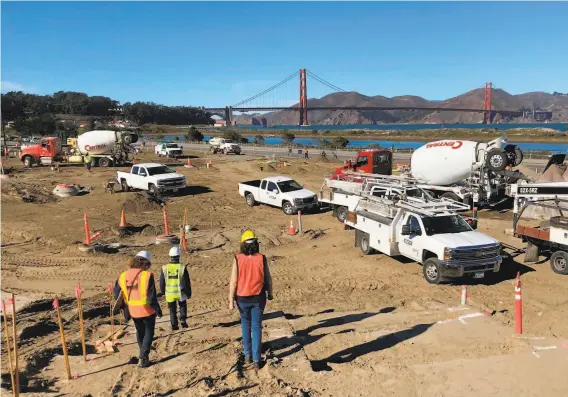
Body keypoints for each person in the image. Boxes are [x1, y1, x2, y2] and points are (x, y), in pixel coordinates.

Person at [228, 230, 273, 369]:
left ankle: (247, 355)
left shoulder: (237, 258)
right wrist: (270, 293)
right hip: (258, 298)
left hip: (242, 299)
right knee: (257, 327)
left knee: (245, 326)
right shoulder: (262, 258)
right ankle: (257, 360)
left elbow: (234, 282)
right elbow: (268, 279)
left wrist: (231, 300)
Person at [114, 250, 162, 368]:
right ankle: (143, 357)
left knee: (140, 332)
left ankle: (143, 354)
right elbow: (151, 297)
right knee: (149, 332)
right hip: (146, 310)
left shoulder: (123, 276)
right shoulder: (147, 275)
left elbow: (116, 296)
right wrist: (157, 309)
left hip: (133, 311)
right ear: (145, 263)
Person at [159, 246, 192, 331]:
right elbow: (186, 282)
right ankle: (183, 319)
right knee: (182, 305)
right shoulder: (182, 267)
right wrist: (188, 293)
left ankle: (174, 325)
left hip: (170, 293)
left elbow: (162, 282)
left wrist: (163, 292)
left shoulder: (164, 268)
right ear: (179, 256)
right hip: (180, 291)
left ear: (170, 256)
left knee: (172, 309)